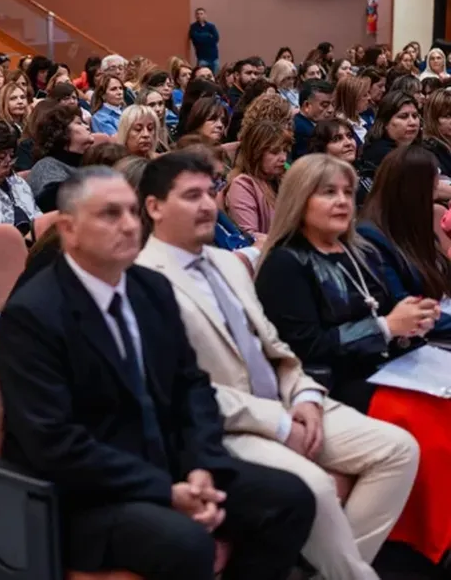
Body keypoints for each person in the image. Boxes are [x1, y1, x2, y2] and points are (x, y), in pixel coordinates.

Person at [0, 166, 315, 578]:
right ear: (69, 229)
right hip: (91, 494)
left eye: (133, 212)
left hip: (172, 464)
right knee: (186, 543)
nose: (130, 225)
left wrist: (202, 465)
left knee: (289, 499)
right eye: (111, 215)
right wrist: (165, 491)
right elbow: (56, 444)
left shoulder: (151, 287)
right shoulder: (32, 315)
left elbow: (193, 388)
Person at [136, 153, 418, 580]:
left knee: (399, 450)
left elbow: (274, 345)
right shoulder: (142, 281)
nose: (209, 205)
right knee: (316, 485)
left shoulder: (228, 262)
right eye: (191, 196)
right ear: (154, 207)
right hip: (228, 423)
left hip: (290, 399)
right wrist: (280, 422)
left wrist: (303, 395)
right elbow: (185, 390)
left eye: (211, 193)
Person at [255, 154, 451, 569]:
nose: (342, 201)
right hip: (328, 384)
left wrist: (413, 319)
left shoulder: (355, 250)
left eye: (346, 192)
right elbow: (303, 347)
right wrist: (385, 328)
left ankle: (430, 539)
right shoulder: (285, 263)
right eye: (328, 192)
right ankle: (401, 550)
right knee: (428, 425)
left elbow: (384, 311)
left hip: (384, 368)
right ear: (300, 199)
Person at [359, 146, 451, 342]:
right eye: (432, 189)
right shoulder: (371, 238)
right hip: (418, 339)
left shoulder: (414, 224)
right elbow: (405, 309)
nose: (436, 193)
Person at [224, 120, 289, 236]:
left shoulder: (282, 180)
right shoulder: (242, 186)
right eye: (275, 152)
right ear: (256, 153)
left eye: (285, 151)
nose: (283, 158)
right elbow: (250, 237)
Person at [28, 104, 94, 212]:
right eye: (79, 123)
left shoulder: (89, 161)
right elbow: (53, 204)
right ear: (61, 131)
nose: (87, 126)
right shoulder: (46, 166)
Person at [360, 90, 421, 181]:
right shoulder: (380, 153)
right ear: (385, 123)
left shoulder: (419, 147)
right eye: (403, 116)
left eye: (415, 116)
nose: (412, 122)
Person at [291, 81, 335, 161]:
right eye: (325, 105)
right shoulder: (302, 130)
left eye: (333, 104)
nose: (331, 110)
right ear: (307, 105)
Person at [189, 8, 220, 73]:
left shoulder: (211, 26)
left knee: (216, 77)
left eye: (201, 14)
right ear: (195, 16)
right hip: (202, 58)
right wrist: (208, 35)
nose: (199, 15)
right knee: (201, 76)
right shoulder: (193, 27)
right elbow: (195, 38)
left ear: (205, 15)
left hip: (214, 57)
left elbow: (216, 38)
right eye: (197, 14)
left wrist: (201, 36)